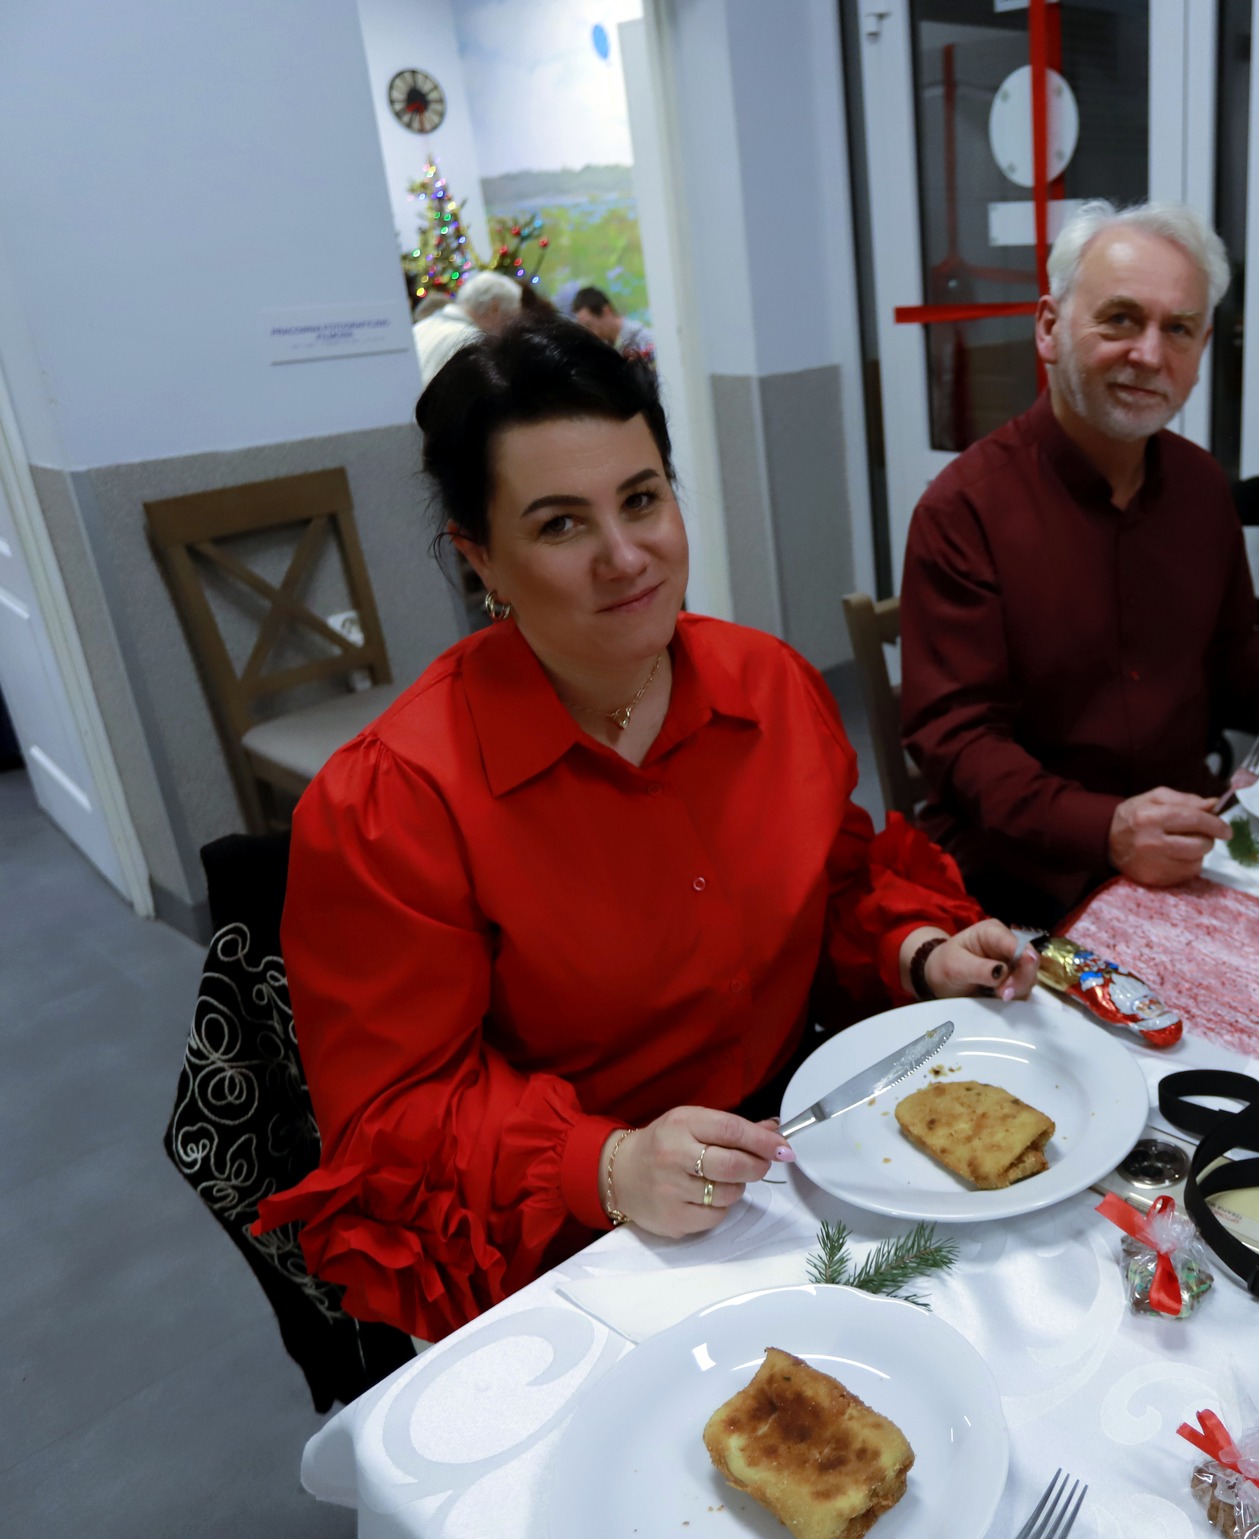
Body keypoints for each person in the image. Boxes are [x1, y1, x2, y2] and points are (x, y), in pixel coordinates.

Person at [254, 318, 1035, 1341]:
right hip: (578, 1229)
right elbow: (398, 1109)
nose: (625, 557)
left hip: (794, 1149)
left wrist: (919, 950)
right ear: (480, 558)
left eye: (641, 499)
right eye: (559, 525)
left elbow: (834, 889)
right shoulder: (394, 801)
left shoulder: (771, 686)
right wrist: (608, 1163)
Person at [897, 200, 1259, 925]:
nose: (1149, 355)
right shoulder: (964, 510)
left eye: (1177, 329)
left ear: (1201, 349)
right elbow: (958, 744)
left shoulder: (1201, 487)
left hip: (1191, 848)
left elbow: (1233, 651)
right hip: (1022, 882)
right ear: (1049, 328)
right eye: (1120, 319)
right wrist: (1106, 828)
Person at [412, 270, 524, 382]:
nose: (509, 327)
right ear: (494, 309)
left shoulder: (424, 324)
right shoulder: (472, 343)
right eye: (511, 317)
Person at [571, 285, 655, 365]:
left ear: (606, 311)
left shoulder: (642, 338)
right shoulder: (604, 348)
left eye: (589, 325)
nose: (589, 332)